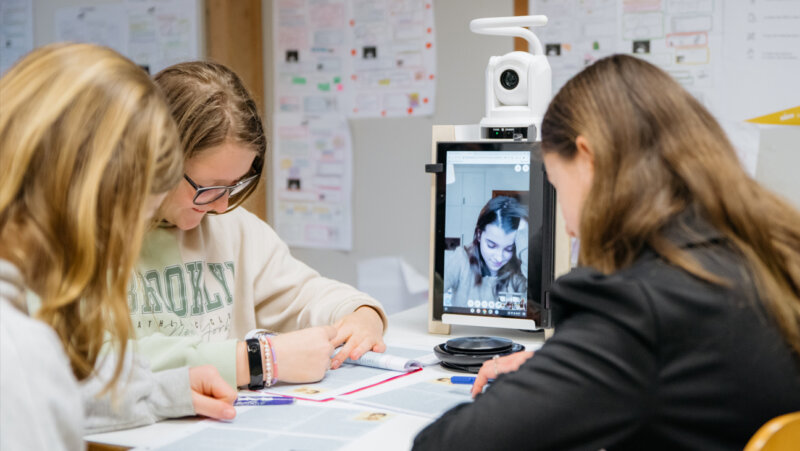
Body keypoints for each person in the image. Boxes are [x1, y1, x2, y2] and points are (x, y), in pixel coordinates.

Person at [414, 54, 800, 450]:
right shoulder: (766, 254)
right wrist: (573, 368)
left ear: (588, 158)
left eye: (557, 186)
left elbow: (446, 445)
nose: (566, 224)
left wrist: (537, 386)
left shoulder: (636, 308)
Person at [0, 43, 236, 449]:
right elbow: (31, 380)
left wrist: (163, 392)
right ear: (94, 204)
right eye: (139, 220)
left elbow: (62, 387)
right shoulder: (18, 350)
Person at [127, 61, 387, 392]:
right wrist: (260, 359)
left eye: (233, 186)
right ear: (158, 161)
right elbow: (106, 364)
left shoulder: (234, 229)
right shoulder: (91, 238)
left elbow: (305, 293)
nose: (221, 206)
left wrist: (362, 314)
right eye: (209, 188)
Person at [443, 196, 529, 309]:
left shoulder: (518, 274)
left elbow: (537, 297)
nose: (499, 258)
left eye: (508, 249)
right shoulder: (461, 259)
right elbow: (432, 295)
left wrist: (523, 232)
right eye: (491, 245)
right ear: (479, 235)